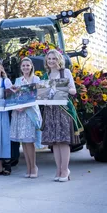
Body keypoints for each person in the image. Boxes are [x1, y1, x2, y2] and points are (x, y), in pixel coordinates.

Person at [41, 49, 81, 182]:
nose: (51, 61)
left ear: (59, 59)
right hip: (50, 111)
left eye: (54, 58)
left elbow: (74, 91)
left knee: (63, 141)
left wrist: (62, 88)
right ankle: (58, 170)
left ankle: (65, 170)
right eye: (49, 59)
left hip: (63, 109)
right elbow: (43, 95)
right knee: (55, 142)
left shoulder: (65, 72)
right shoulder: (46, 76)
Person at [9, 58, 42, 178]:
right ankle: (28, 167)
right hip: (19, 113)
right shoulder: (18, 80)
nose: (25, 68)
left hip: (30, 113)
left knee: (30, 141)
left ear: (31, 66)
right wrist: (16, 104)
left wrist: (25, 105)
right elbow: (16, 96)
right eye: (23, 66)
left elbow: (37, 96)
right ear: (21, 67)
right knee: (24, 141)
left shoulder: (36, 79)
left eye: (27, 65)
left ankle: (34, 167)